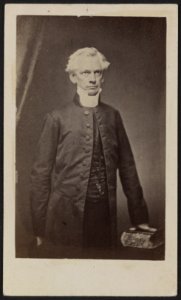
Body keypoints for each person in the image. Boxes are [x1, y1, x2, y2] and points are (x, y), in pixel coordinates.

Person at [30, 47, 156, 257]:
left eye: (97, 72)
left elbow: (128, 169)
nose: (92, 79)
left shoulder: (113, 116)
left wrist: (139, 218)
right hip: (63, 218)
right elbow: (40, 175)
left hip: (103, 216)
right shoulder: (56, 118)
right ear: (73, 77)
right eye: (85, 73)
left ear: (103, 76)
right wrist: (39, 227)